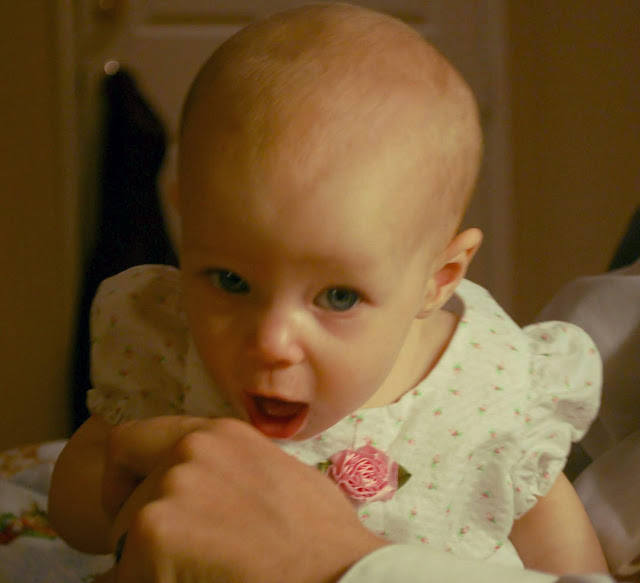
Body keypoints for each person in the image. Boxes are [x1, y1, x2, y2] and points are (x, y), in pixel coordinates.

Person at [49, 2, 607, 577]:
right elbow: (74, 512)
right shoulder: (168, 343)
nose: (271, 341)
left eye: (338, 298)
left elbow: (569, 566)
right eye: (231, 281)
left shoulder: (491, 388)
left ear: (437, 279)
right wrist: (130, 483)